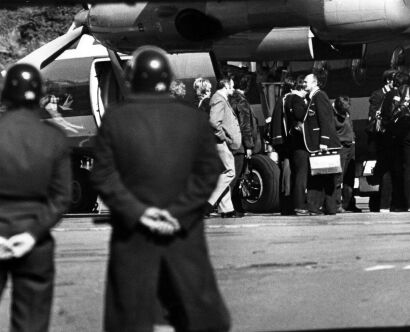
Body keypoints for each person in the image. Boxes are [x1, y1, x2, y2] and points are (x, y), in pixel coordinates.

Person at [91, 46, 230, 332]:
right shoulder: (192, 118)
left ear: (132, 78)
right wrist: (177, 213)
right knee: (196, 314)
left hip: (133, 236)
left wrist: (140, 213)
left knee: (130, 316)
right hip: (182, 232)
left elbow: (104, 176)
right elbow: (208, 173)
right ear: (167, 78)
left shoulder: (115, 119)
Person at [0, 63, 72, 332]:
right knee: (31, 320)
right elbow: (61, 197)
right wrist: (31, 233)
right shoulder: (53, 138)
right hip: (35, 237)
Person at [303, 72, 341, 215]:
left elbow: (325, 119)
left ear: (314, 83)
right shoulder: (311, 98)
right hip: (316, 143)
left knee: (326, 176)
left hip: (322, 143)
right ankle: (319, 207)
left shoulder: (320, 96)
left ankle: (325, 207)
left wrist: (324, 141)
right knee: (319, 176)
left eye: (306, 82)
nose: (304, 84)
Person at [270, 74, 309, 215]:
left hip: (282, 142)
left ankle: (287, 204)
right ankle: (288, 204)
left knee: (287, 173)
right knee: (288, 173)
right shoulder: (289, 99)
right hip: (287, 143)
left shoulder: (283, 99)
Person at [207, 77, 242, 218]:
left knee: (225, 172)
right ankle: (207, 203)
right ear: (226, 85)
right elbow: (214, 122)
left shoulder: (220, 99)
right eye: (232, 86)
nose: (233, 89)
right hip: (220, 142)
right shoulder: (219, 99)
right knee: (230, 172)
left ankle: (226, 209)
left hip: (220, 142)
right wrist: (224, 138)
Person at [229, 74, 262, 215]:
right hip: (241, 144)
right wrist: (249, 145)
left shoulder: (231, 99)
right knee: (237, 176)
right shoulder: (241, 101)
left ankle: (236, 206)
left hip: (232, 142)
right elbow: (245, 125)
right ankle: (232, 206)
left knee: (234, 175)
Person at [367, 69, 396, 212]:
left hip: (392, 138)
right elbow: (373, 116)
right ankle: (382, 203)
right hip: (381, 139)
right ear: (388, 80)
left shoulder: (397, 94)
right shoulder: (378, 94)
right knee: (385, 170)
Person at [333, 96, 361, 213]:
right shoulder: (334, 115)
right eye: (344, 108)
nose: (346, 110)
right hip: (342, 147)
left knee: (350, 176)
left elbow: (350, 125)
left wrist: (353, 138)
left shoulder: (347, 112)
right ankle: (336, 204)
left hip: (351, 146)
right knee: (339, 177)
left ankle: (349, 203)